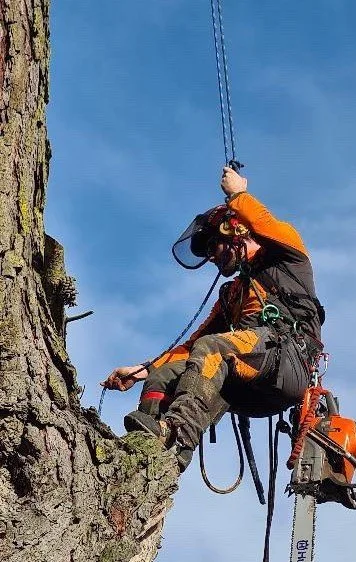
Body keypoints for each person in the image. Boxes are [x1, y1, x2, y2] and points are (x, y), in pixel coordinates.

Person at [101, 166, 325, 471]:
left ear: (235, 232)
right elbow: (192, 345)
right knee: (164, 377)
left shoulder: (287, 256)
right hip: (247, 383)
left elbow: (263, 221)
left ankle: (177, 433)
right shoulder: (232, 295)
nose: (213, 258)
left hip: (287, 360)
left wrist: (237, 194)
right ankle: (151, 454)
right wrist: (144, 369)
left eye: (214, 248)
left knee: (213, 347)